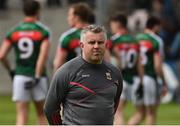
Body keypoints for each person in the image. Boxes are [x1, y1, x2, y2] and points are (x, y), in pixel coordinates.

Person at [44, 25, 123, 125]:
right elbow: (50, 109)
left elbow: (113, 106)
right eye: (91, 42)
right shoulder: (66, 71)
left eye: (100, 42)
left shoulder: (115, 73)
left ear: (106, 45)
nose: (96, 46)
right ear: (82, 45)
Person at [0, 0, 50, 125]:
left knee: (21, 114)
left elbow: (1, 55)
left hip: (20, 75)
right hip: (38, 76)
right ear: (38, 11)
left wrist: (11, 71)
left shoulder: (14, 31)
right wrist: (37, 76)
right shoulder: (42, 31)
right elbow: (42, 56)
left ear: (24, 11)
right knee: (42, 115)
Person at [128, 16, 167, 125]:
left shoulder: (135, 39)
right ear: (155, 26)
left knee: (139, 113)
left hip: (136, 79)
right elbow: (158, 65)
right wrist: (164, 82)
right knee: (151, 113)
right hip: (149, 78)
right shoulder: (156, 40)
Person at [109, 12, 144, 125]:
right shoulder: (135, 41)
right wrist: (142, 81)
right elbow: (139, 63)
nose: (111, 27)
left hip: (119, 79)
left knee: (118, 111)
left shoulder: (113, 40)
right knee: (141, 112)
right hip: (135, 79)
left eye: (112, 24)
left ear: (117, 24)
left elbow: (111, 59)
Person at [53, 3, 94, 72]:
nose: (68, 18)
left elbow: (58, 64)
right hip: (94, 78)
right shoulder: (98, 34)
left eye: (69, 15)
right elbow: (107, 60)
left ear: (76, 17)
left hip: (74, 79)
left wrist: (55, 81)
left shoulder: (67, 37)